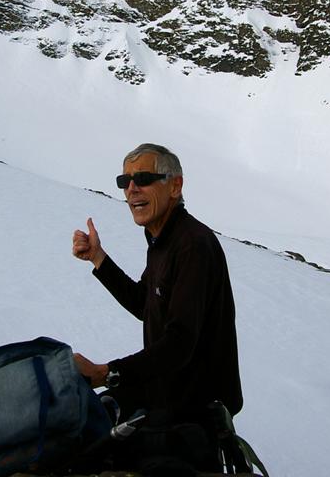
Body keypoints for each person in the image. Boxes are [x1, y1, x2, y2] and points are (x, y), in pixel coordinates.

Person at [70, 143, 243, 435]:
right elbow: (145, 304)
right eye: (125, 182)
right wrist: (99, 259)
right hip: (165, 390)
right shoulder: (162, 239)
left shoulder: (193, 245)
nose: (132, 189)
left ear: (175, 186)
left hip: (195, 410)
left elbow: (180, 342)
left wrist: (106, 373)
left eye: (144, 179)